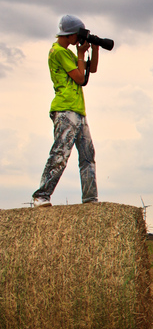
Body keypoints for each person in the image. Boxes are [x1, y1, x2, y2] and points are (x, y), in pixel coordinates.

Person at [31, 14, 100, 207]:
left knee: (87, 156)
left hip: (78, 109)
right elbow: (79, 78)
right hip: (65, 109)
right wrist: (80, 54)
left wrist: (94, 48)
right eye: (78, 36)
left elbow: (90, 70)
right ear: (70, 35)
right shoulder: (58, 52)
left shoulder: (69, 53)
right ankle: (41, 195)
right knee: (60, 153)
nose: (79, 41)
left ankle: (90, 199)